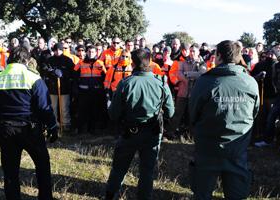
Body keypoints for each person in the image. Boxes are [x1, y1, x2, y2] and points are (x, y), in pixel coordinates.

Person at [188, 40, 259, 200]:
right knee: (236, 194)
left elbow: (193, 113)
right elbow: (255, 113)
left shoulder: (205, 81)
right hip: (237, 147)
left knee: (202, 193)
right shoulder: (251, 82)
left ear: (218, 56)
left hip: (208, 147)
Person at [0, 47, 58, 200]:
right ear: (26, 60)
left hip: (6, 129)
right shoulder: (33, 77)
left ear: (9, 59)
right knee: (42, 165)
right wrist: (52, 127)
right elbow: (44, 107)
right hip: (30, 129)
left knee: (10, 171)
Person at [105, 49, 175, 200]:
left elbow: (113, 114)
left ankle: (111, 194)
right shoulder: (161, 82)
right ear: (149, 62)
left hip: (130, 132)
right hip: (152, 133)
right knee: (147, 170)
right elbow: (171, 113)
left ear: (133, 63)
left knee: (119, 168)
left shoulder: (125, 83)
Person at [168, 43, 206, 139]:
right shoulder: (183, 62)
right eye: (191, 51)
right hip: (183, 92)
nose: (192, 53)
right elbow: (179, 74)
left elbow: (201, 74)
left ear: (198, 52)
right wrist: (187, 79)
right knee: (177, 113)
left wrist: (187, 74)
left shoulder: (202, 63)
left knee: (192, 115)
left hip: (194, 94)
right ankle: (170, 132)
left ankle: (191, 135)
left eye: (194, 51)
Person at [42, 43, 75, 132]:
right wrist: (53, 71)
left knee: (64, 107)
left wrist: (63, 73)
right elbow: (45, 69)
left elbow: (72, 72)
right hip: (52, 88)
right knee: (53, 107)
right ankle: (54, 124)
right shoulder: (50, 60)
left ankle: (66, 124)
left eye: (59, 50)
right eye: (56, 50)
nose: (58, 51)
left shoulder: (67, 60)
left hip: (64, 88)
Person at [73, 45, 106, 134]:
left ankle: (93, 129)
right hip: (83, 91)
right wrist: (75, 89)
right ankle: (81, 129)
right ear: (86, 52)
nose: (91, 53)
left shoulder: (100, 63)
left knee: (94, 110)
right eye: (89, 51)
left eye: (93, 52)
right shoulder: (80, 63)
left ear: (96, 53)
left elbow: (105, 77)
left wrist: (103, 90)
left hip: (96, 91)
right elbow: (74, 76)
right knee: (82, 111)